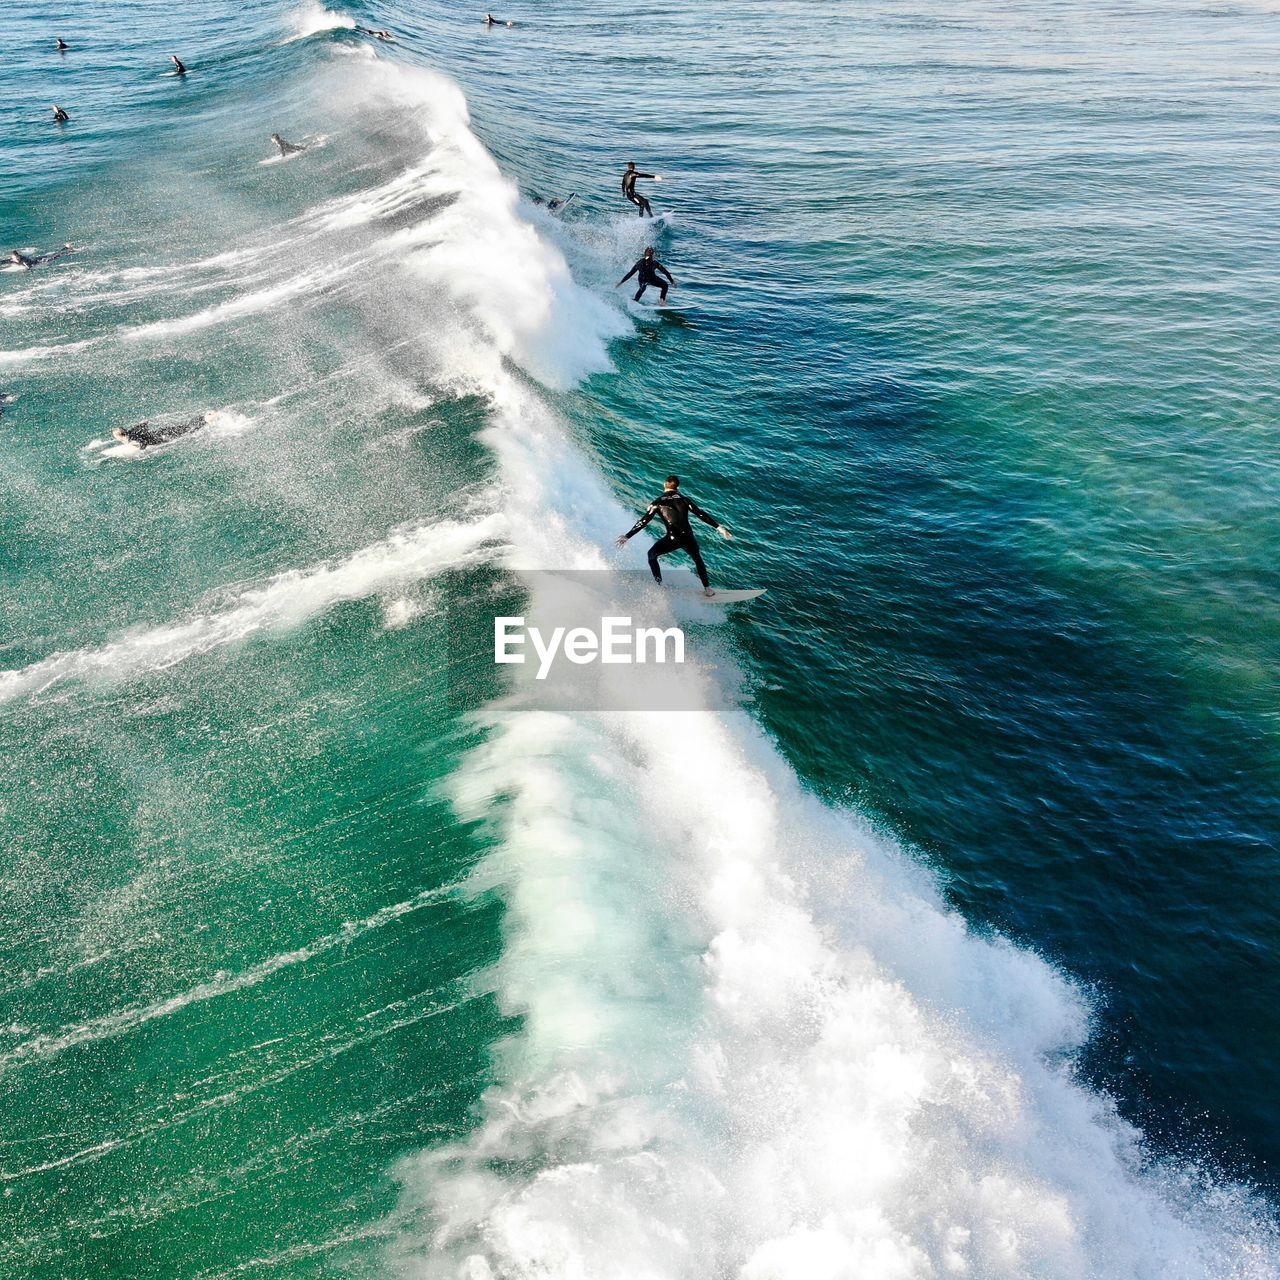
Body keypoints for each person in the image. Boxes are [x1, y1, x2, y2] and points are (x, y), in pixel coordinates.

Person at [616, 475, 733, 597]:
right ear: (678, 487)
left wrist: (627, 536)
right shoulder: (684, 499)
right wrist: (720, 528)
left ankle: (659, 586)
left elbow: (644, 521)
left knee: (651, 555)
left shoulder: (658, 503)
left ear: (664, 485)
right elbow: (701, 514)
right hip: (688, 537)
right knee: (698, 559)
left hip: (673, 538)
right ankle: (708, 589)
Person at [113, 411, 219, 450]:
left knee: (189, 430)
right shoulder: (132, 431)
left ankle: (208, 418)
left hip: (163, 436)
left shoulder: (132, 437)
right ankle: (207, 416)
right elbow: (144, 425)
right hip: (162, 432)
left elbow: (144, 442)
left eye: (116, 436)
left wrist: (140, 451)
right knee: (186, 427)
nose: (116, 438)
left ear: (121, 435)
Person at [9, 245, 74, 269]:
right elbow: (5, 261)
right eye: (15, 257)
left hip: (38, 260)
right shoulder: (13, 259)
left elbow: (28, 267)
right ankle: (67, 248)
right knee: (53, 255)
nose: (17, 258)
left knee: (54, 256)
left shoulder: (23, 260)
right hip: (35, 258)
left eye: (17, 257)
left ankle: (68, 250)